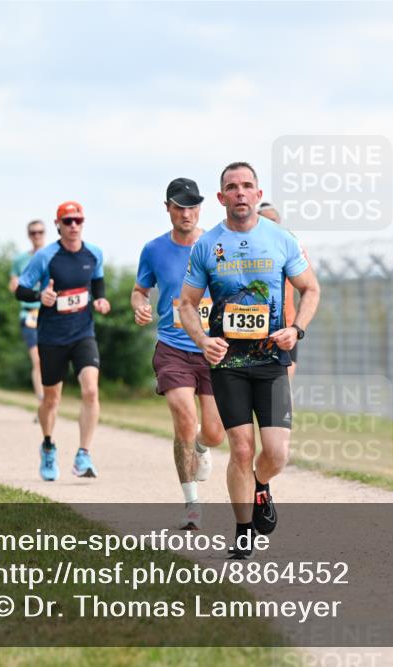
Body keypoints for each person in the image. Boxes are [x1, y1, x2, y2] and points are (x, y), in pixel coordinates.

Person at [179, 162, 320, 559]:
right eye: (231, 187)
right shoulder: (206, 246)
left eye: (247, 186)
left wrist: (297, 330)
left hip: (272, 359)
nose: (240, 192)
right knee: (241, 448)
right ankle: (243, 530)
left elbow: (310, 289)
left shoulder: (281, 239)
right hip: (228, 363)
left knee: (276, 452)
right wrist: (203, 340)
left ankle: (261, 485)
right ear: (221, 198)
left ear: (258, 195)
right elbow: (187, 303)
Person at [133, 178, 225, 530]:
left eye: (193, 206)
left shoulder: (218, 244)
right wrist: (140, 305)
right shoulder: (154, 249)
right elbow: (140, 290)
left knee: (215, 433)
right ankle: (191, 503)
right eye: (180, 206)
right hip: (173, 347)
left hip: (213, 349)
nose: (187, 213)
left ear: (200, 208)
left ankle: (202, 448)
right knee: (184, 418)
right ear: (168, 208)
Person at [16, 201, 110, 481]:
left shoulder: (94, 253)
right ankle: (47, 445)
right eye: (67, 221)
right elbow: (21, 289)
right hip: (52, 336)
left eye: (78, 220)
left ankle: (83, 454)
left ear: (83, 223)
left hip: (83, 333)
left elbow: (97, 281)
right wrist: (39, 297)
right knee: (51, 399)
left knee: (91, 391)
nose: (73, 226)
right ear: (57, 224)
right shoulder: (45, 256)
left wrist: (101, 299)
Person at [257, 202, 304, 380]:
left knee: (283, 389)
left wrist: (297, 326)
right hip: (255, 329)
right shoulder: (248, 249)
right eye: (264, 220)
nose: (270, 224)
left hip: (286, 327)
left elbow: (307, 287)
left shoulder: (290, 247)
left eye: (273, 220)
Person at [10, 219, 48, 417]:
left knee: (51, 358)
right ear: (28, 235)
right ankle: (42, 402)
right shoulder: (20, 260)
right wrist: (17, 285)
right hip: (29, 313)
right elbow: (14, 284)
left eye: (40, 232)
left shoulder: (53, 255)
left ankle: (51, 401)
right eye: (33, 232)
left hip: (50, 313)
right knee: (38, 360)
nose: (37, 235)